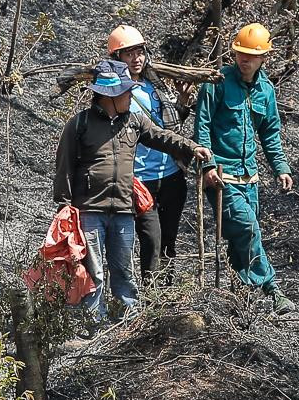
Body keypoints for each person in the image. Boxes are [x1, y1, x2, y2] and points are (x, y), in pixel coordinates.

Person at [54, 59, 210, 333]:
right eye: (126, 92)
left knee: (123, 269)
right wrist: (64, 206)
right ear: (109, 96)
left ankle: (131, 321)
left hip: (124, 209)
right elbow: (64, 165)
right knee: (95, 272)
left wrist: (191, 147)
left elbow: (162, 137)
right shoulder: (80, 124)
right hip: (89, 210)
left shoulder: (134, 121)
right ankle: (96, 326)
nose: (130, 96)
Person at [193, 22, 293, 313]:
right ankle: (272, 289)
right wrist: (208, 166)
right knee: (248, 229)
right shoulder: (218, 83)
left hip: (251, 179)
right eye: (240, 54)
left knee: (241, 239)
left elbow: (270, 134)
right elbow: (202, 128)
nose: (244, 60)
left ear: (263, 58)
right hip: (222, 178)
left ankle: (242, 302)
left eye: (251, 55)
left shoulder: (266, 91)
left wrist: (281, 168)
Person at [106, 25, 188, 285]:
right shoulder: (114, 92)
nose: (136, 58)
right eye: (128, 54)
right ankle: (150, 298)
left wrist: (182, 105)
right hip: (140, 180)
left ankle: (166, 294)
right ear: (116, 58)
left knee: (168, 241)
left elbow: (165, 130)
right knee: (150, 241)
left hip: (171, 175)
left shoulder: (155, 85)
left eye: (139, 51)